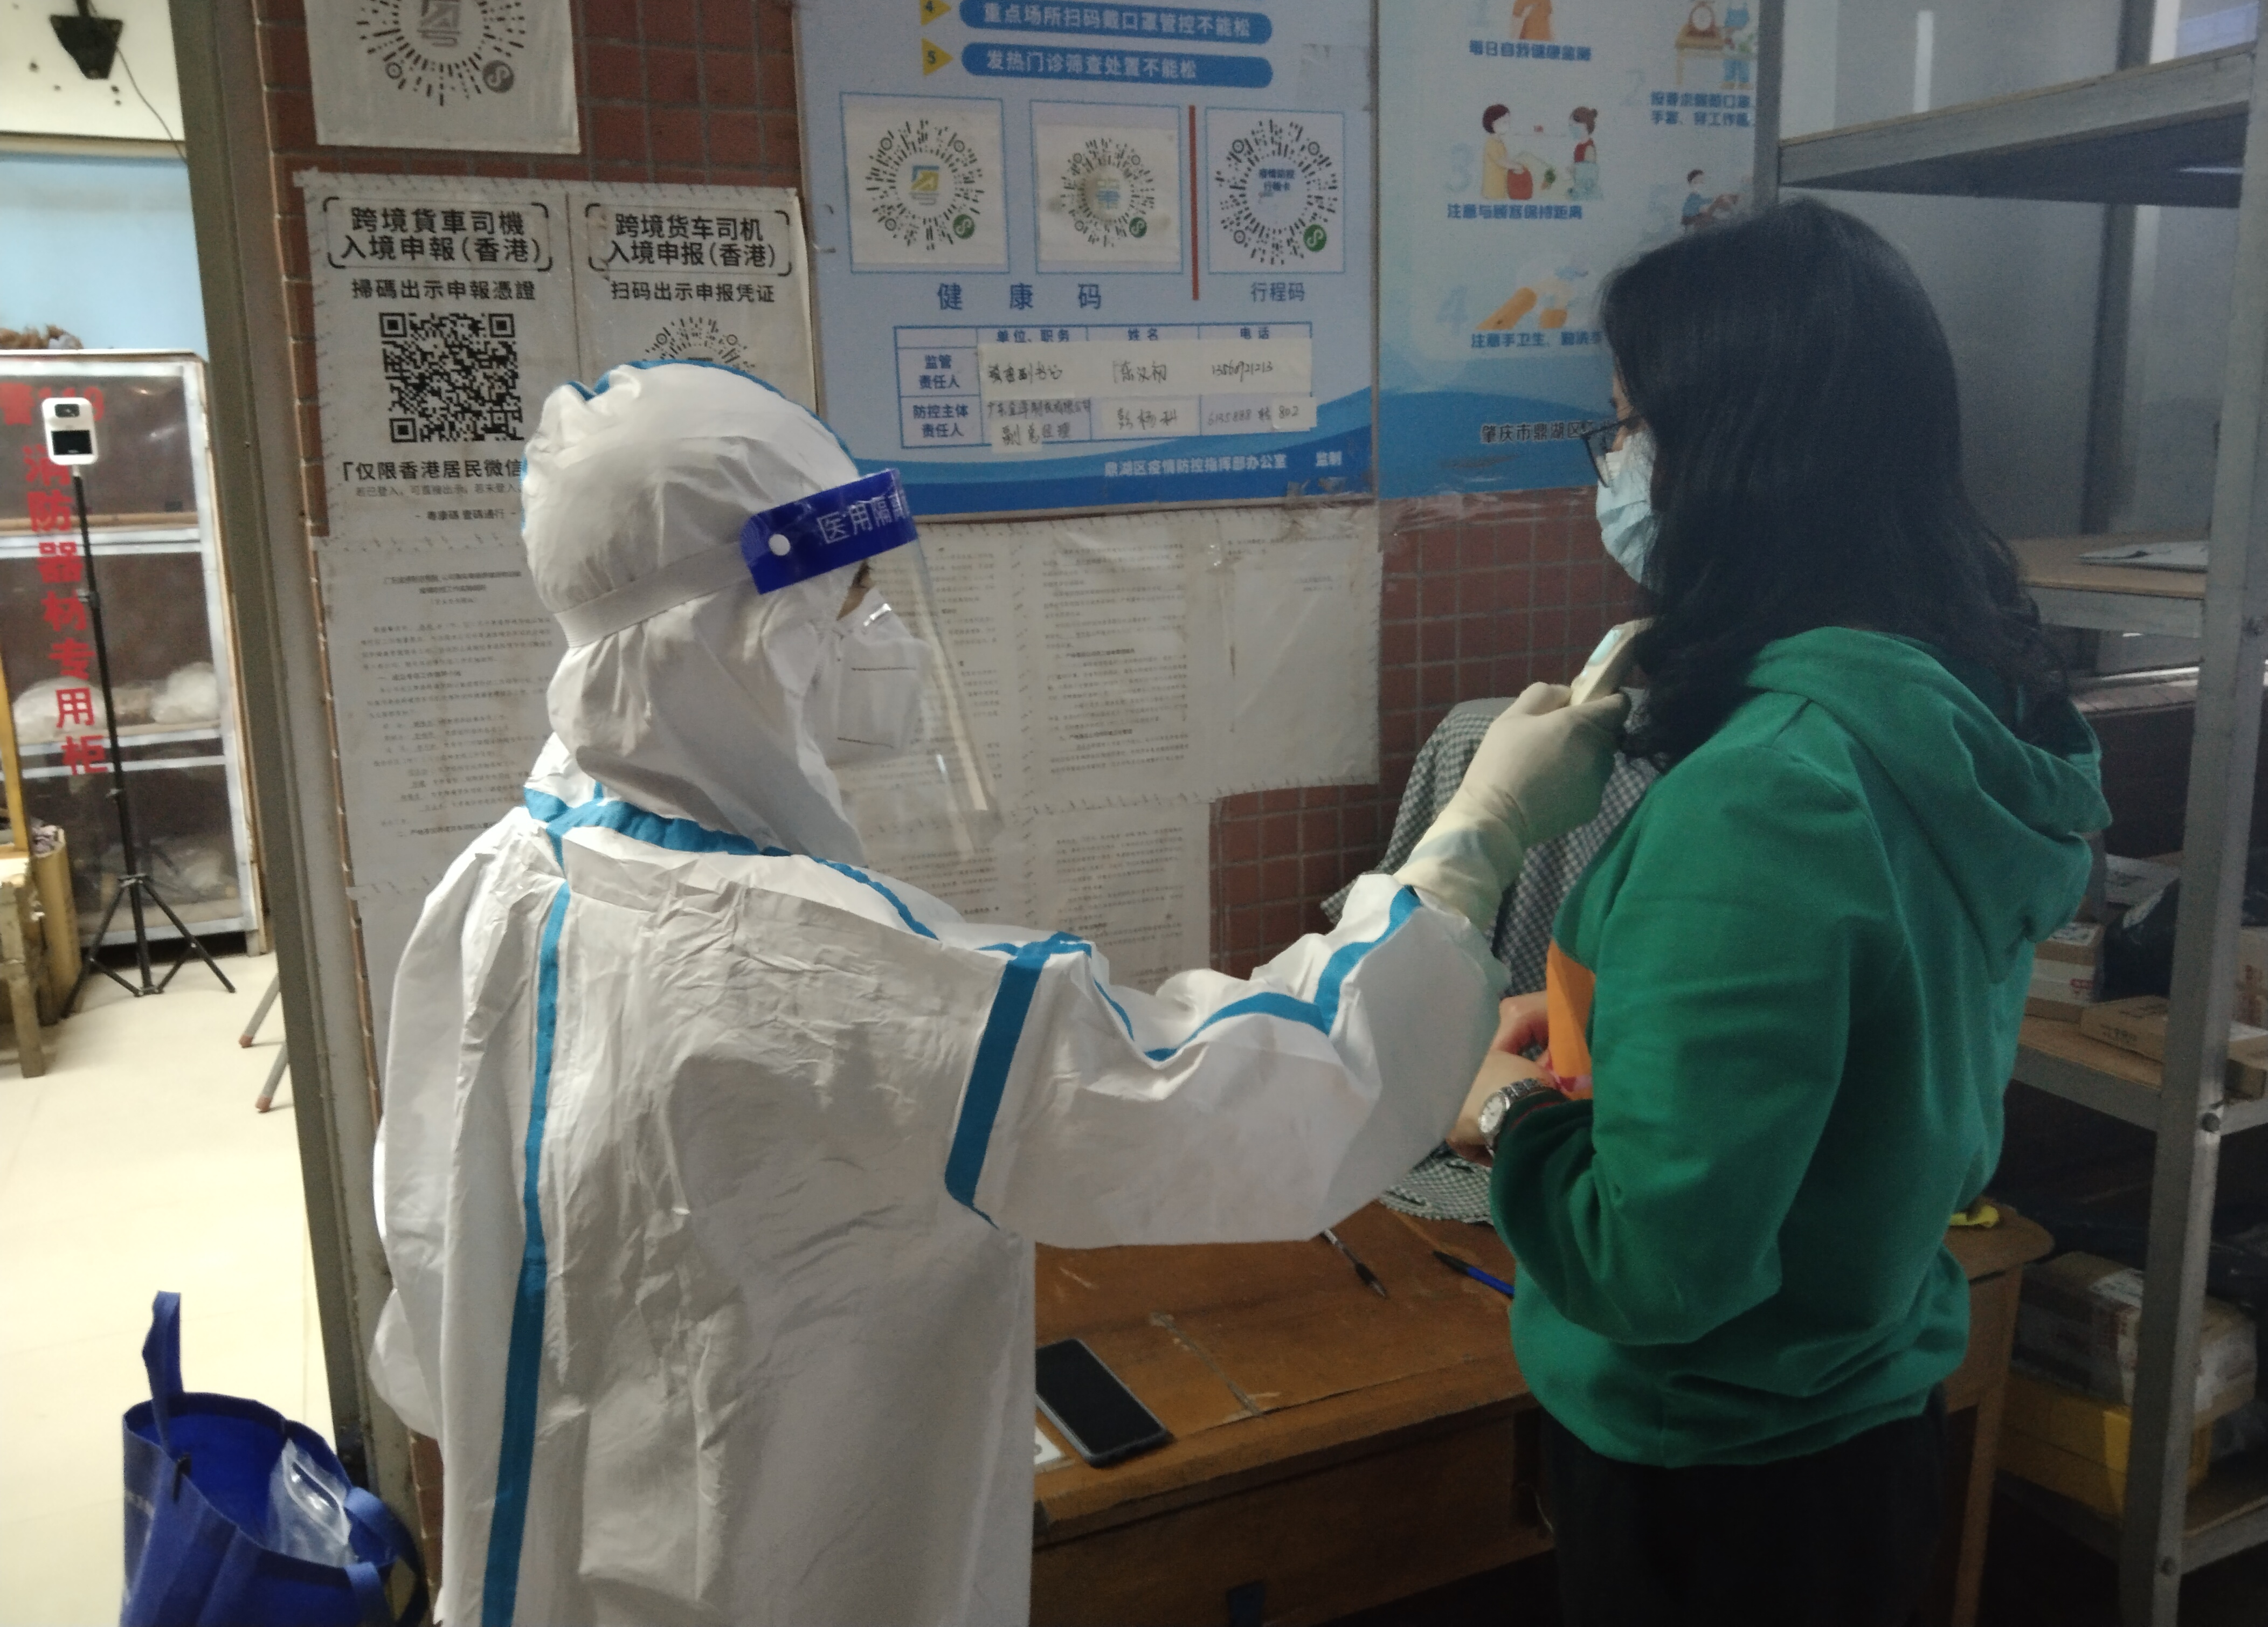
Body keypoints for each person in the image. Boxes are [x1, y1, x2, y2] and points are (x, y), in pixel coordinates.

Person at [368, 360, 1626, 1627]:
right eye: (846, 596)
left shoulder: (499, 885)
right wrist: (1470, 844)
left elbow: (427, 1247)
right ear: (747, 631)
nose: (876, 629)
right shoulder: (810, 970)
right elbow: (1239, 1111)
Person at [1449, 201, 2110, 1625]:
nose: (1615, 466)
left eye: (1632, 427)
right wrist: (1595, 1024)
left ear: (1736, 460)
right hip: (1860, 1405)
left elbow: (1654, 1266)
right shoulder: (1941, 716)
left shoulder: (1762, 796)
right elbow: (1839, 1039)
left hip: (1712, 1474)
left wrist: (1501, 1109)